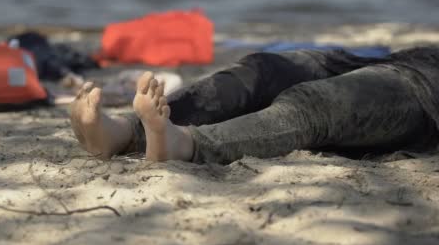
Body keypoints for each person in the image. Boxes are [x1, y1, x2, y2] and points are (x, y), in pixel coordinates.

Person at [69, 47, 439, 164]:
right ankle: (121, 133)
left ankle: (186, 144)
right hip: (394, 57)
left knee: (316, 105)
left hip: (424, 87)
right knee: (264, 70)